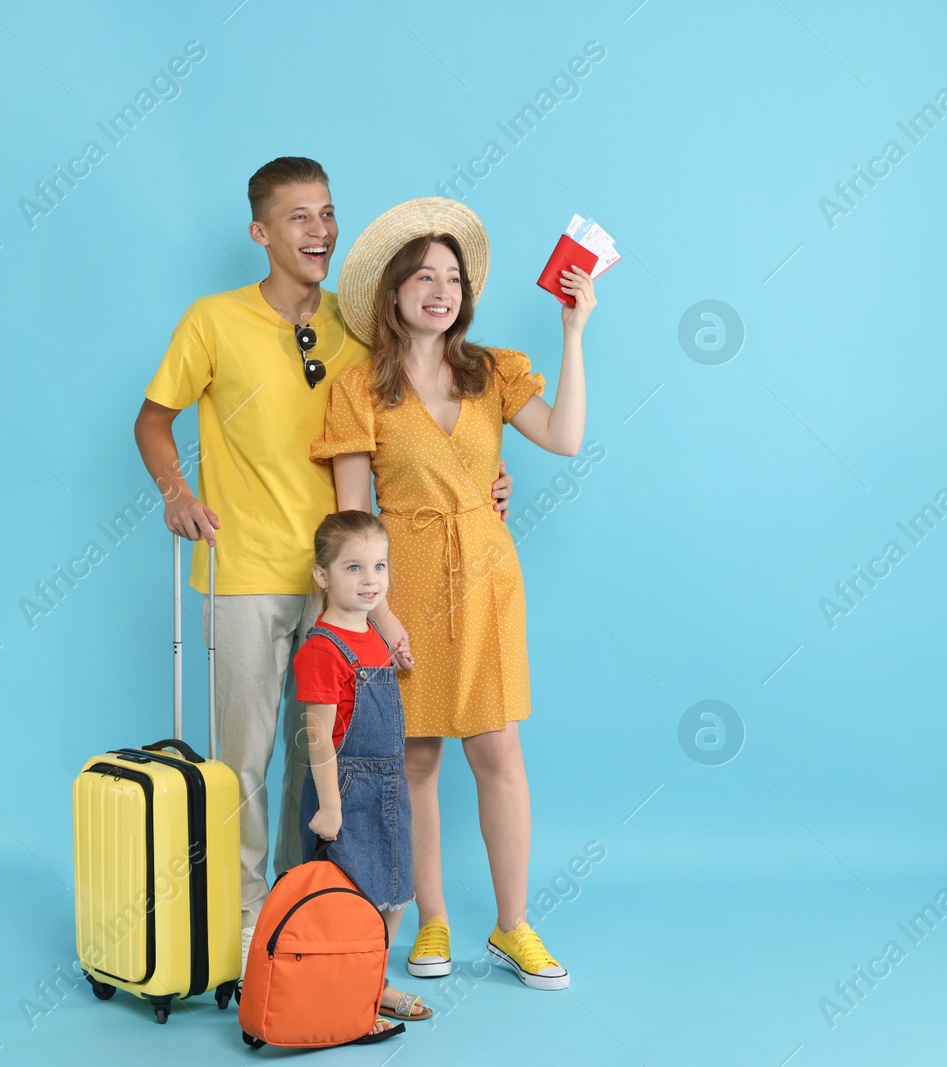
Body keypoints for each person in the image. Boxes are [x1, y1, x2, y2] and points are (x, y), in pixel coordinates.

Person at [134, 160, 515, 973]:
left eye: (329, 214)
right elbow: (153, 419)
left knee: (334, 758)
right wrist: (175, 489)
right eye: (299, 217)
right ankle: (244, 923)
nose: (319, 232)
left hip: (348, 588)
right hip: (244, 570)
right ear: (261, 233)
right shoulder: (212, 320)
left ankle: (305, 903)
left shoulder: (359, 322)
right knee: (245, 756)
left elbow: (418, 405)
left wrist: (481, 478)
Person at [312, 197, 596, 990]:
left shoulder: (493, 370)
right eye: (423, 276)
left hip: (488, 581)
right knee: (416, 758)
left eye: (453, 277)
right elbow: (354, 516)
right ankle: (431, 915)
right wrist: (382, 611)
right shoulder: (358, 388)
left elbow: (566, 436)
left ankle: (513, 925)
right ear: (393, 291)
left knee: (498, 750)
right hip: (400, 583)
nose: (441, 289)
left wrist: (574, 333)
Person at [297, 510, 432, 1034]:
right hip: (347, 792)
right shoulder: (322, 649)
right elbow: (317, 736)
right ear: (323, 576)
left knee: (395, 893)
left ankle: (369, 981)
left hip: (389, 788)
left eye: (379, 565)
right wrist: (330, 807)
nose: (371, 578)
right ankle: (347, 998)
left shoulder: (374, 634)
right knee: (352, 901)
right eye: (353, 568)